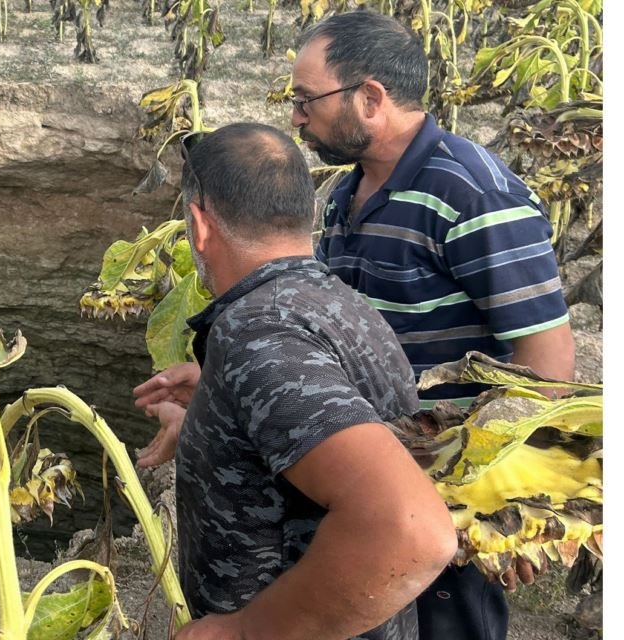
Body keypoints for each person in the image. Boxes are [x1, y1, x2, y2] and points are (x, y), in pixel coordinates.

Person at [287, 10, 575, 639]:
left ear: (370, 98)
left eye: (307, 99)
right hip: (379, 476)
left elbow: (545, 356)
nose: (296, 117)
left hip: (451, 483)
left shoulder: (473, 193)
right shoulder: (347, 193)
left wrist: (511, 499)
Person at [134, 122, 457, 640]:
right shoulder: (341, 303)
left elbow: (411, 530)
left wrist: (244, 631)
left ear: (199, 225)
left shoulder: (258, 332)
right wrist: (218, 407)